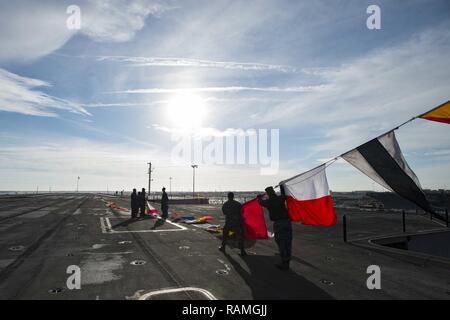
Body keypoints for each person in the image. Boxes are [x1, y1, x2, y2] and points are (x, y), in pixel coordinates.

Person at [258, 186, 292, 270]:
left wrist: (259, 197)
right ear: (273, 191)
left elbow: (260, 202)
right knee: (288, 242)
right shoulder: (281, 198)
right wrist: (282, 187)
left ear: (268, 193)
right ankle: (286, 261)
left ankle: (284, 263)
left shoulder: (268, 202)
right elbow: (284, 194)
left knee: (281, 242)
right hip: (287, 222)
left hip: (279, 224)